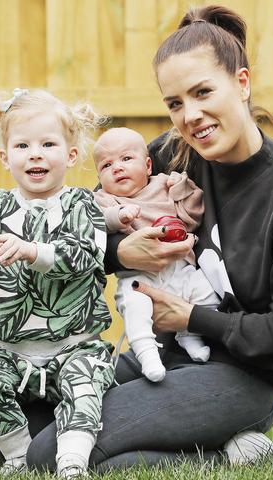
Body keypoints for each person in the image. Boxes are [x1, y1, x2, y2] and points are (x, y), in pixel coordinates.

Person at [0, 4, 273, 472]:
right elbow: (85, 219)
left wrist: (191, 317)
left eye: (203, 92)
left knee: (50, 456)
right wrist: (120, 250)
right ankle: (206, 441)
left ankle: (231, 452)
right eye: (175, 103)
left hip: (237, 376)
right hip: (154, 356)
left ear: (241, 83)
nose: (191, 116)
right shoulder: (173, 155)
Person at [0, 88, 115, 479]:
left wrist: (30, 251)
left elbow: (84, 255)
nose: (35, 153)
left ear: (71, 155)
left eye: (48, 144)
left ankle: (72, 461)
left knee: (84, 387)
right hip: (11, 350)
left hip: (73, 346)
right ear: (6, 158)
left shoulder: (83, 204)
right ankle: (20, 455)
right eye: (22, 145)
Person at [92, 127, 219, 382]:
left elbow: (192, 217)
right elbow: (94, 223)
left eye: (126, 159)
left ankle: (189, 334)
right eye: (106, 165)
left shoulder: (164, 185)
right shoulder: (105, 199)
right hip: (139, 276)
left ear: (148, 165)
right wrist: (118, 217)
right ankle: (146, 353)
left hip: (179, 268)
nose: (117, 167)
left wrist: (183, 190)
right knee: (134, 306)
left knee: (207, 291)